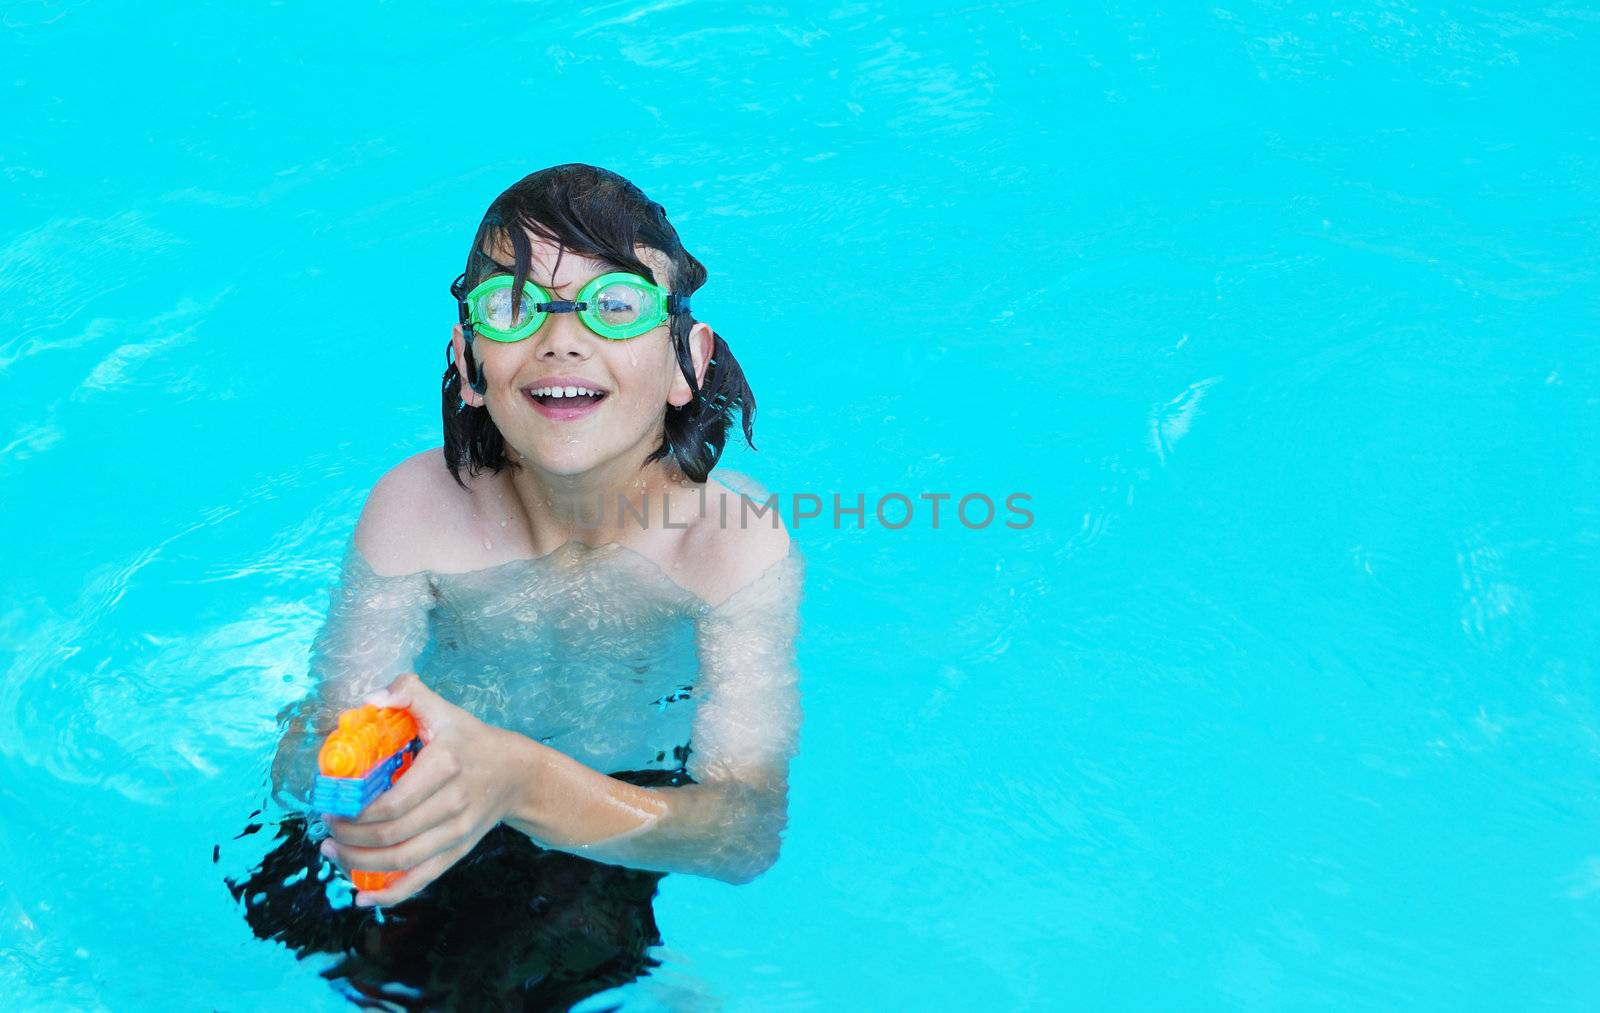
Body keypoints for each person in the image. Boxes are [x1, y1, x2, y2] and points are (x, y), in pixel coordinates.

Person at [230, 163, 804, 1010]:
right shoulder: (415, 508)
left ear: (689, 360)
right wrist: (339, 784)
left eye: (616, 304)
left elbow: (745, 830)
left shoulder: (734, 545)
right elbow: (336, 723)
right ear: (469, 360)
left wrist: (525, 782)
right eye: (511, 306)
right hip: (420, 783)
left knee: (535, 969)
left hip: (603, 815)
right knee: (303, 924)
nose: (560, 338)